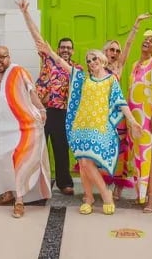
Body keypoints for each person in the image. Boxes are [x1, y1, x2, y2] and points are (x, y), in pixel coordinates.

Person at [37, 42, 142, 215]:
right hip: (80, 126)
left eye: (94, 59)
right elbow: (63, 64)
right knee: (83, 163)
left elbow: (120, 102)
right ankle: (88, 197)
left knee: (87, 162)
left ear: (102, 60)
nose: (91, 62)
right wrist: (50, 52)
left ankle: (106, 195)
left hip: (99, 127)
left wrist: (132, 121)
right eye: (88, 60)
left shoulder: (111, 80)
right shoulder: (83, 78)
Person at [0, 46, 52, 218]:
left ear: (9, 57)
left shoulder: (18, 71)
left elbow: (31, 92)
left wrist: (41, 109)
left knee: (17, 161)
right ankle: (7, 194)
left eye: (2, 57)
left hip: (18, 126)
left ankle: (19, 200)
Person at [17, 0, 81, 196]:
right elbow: (36, 35)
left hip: (61, 112)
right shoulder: (48, 58)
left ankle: (64, 182)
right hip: (41, 109)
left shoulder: (76, 68)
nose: (66, 50)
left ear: (73, 51)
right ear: (57, 48)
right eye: (63, 47)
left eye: (69, 48)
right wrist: (26, 13)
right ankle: (35, 184)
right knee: (37, 147)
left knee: (61, 148)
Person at [101, 12, 150, 200]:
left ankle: (118, 188)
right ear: (105, 51)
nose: (114, 53)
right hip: (101, 114)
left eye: (117, 50)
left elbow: (128, 44)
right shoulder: (96, 67)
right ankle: (104, 185)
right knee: (104, 149)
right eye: (111, 50)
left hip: (118, 113)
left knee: (120, 150)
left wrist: (136, 24)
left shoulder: (119, 67)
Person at [128, 30, 152, 213]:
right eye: (146, 40)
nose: (147, 42)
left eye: (151, 41)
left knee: (147, 156)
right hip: (134, 117)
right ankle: (140, 195)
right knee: (137, 156)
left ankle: (151, 197)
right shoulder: (135, 64)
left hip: (146, 116)